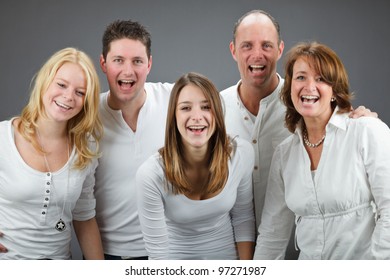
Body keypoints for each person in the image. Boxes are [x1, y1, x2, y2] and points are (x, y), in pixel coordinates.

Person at [221, 9, 378, 259]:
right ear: (233, 50)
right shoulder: (215, 111)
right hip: (223, 245)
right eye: (247, 45)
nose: (309, 87)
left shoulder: (361, 129)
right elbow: (273, 234)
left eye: (266, 45)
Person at [254, 41, 390, 259]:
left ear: (335, 90)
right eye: (300, 77)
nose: (309, 87)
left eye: (320, 79)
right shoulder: (284, 154)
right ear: (290, 89)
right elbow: (273, 234)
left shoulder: (367, 132)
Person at [136, 72, 255, 259]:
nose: (197, 116)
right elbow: (158, 252)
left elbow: (243, 219)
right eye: (186, 108)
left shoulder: (241, 154)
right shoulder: (151, 174)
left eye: (206, 107)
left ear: (217, 112)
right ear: (173, 117)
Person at [0, 47, 104, 259]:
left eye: (80, 92)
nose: (68, 97)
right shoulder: (3, 137)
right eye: (61, 85)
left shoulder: (86, 147)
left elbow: (84, 217)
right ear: (45, 82)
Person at [94, 20, 174, 259]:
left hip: (170, 253)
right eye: (118, 60)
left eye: (137, 61)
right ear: (104, 64)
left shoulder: (175, 100)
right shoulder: (85, 116)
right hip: (106, 254)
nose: (128, 71)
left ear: (149, 64)